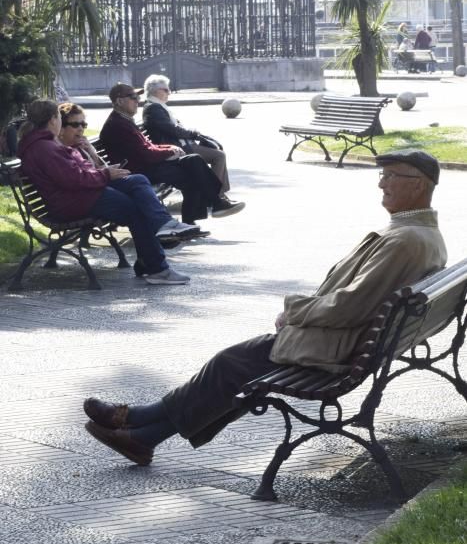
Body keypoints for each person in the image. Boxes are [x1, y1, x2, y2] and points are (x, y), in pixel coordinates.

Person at [83, 150, 447, 465]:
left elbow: (349, 306)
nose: (381, 185)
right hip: (351, 342)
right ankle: (141, 433)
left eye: (390, 177)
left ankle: (137, 424)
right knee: (238, 369)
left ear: (418, 184)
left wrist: (294, 312)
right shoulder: (416, 234)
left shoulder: (405, 240)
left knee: (231, 365)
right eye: (381, 175)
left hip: (335, 347)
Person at [18, 99, 196, 285]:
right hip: (73, 202)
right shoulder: (45, 147)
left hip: (80, 195)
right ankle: (157, 267)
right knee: (136, 208)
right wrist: (105, 175)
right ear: (53, 120)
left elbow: (74, 176)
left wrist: (103, 171)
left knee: (137, 181)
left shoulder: (44, 143)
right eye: (59, 118)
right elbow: (73, 179)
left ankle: (163, 228)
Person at [57, 101, 200, 251]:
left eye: (83, 124)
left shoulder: (80, 145)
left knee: (140, 185)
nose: (80, 129)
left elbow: (99, 168)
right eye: (75, 125)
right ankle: (161, 237)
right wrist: (106, 173)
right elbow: (79, 179)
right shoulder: (62, 151)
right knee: (138, 193)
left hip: (100, 186)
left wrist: (92, 152)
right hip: (89, 195)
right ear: (61, 127)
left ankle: (162, 236)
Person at [99, 83, 245, 225]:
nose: (138, 100)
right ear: (119, 101)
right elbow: (145, 154)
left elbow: (147, 147)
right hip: (138, 171)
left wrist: (169, 147)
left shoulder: (124, 119)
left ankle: (213, 206)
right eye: (132, 97)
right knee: (191, 171)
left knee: (194, 161)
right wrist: (170, 151)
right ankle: (213, 205)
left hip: (147, 165)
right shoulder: (117, 125)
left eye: (137, 97)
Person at [142, 74, 244, 208]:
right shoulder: (153, 108)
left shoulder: (157, 106)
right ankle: (216, 197)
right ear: (155, 90)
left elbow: (174, 128)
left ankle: (218, 195)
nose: (169, 93)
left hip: (180, 144)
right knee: (218, 156)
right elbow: (172, 129)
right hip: (175, 148)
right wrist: (194, 135)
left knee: (217, 151)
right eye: (166, 90)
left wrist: (195, 135)